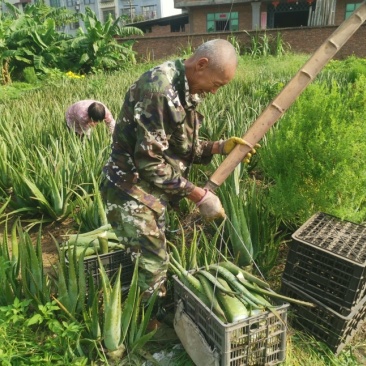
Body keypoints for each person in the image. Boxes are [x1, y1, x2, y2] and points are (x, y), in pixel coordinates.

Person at [100, 39, 257, 302]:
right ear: (201, 65)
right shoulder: (159, 90)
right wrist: (200, 195)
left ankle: (150, 307)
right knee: (153, 262)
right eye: (217, 84)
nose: (215, 92)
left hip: (152, 191)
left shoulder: (187, 90)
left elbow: (183, 147)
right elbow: (149, 162)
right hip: (130, 190)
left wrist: (220, 147)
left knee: (153, 255)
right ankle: (148, 326)